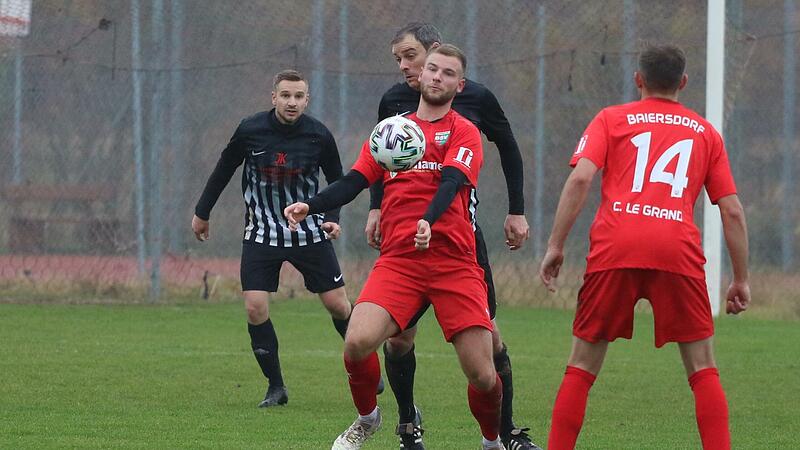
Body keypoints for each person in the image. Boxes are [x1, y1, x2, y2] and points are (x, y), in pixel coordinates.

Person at [285, 44, 506, 450]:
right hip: (401, 261)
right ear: (421, 77)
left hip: (455, 263)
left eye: (448, 73)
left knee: (482, 374)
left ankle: (492, 440)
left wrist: (429, 220)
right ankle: (368, 419)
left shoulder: (464, 131)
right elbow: (355, 180)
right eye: (433, 70)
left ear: (459, 85)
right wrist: (313, 204)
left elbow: (453, 182)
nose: (437, 77)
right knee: (356, 342)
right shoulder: (392, 131)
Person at [539, 44, 750, 450]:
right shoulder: (705, 132)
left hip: (615, 247)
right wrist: (740, 278)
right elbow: (733, 211)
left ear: (638, 79)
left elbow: (581, 179)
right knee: (703, 369)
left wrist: (555, 245)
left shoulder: (610, 119)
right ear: (683, 83)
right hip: (677, 250)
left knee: (581, 366)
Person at [366, 22, 539, 450]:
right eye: (399, 60)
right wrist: (374, 208)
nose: (405, 67)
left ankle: (504, 432)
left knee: (490, 339)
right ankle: (408, 422)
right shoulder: (394, 101)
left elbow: (508, 146)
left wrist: (516, 210)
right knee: (398, 335)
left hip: (459, 242)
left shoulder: (474, 98)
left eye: (409, 56)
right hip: (405, 243)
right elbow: (379, 155)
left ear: (437, 54)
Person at [192, 69, 357, 409]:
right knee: (254, 308)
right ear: (273, 98)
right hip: (261, 231)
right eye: (285, 95)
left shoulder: (318, 135)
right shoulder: (250, 130)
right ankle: (276, 387)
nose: (292, 102)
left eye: (298, 97)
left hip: (309, 230)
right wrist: (202, 211)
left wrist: (331, 219)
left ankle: (364, 367)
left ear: (306, 100)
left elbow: (338, 180)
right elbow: (225, 168)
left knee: (339, 305)